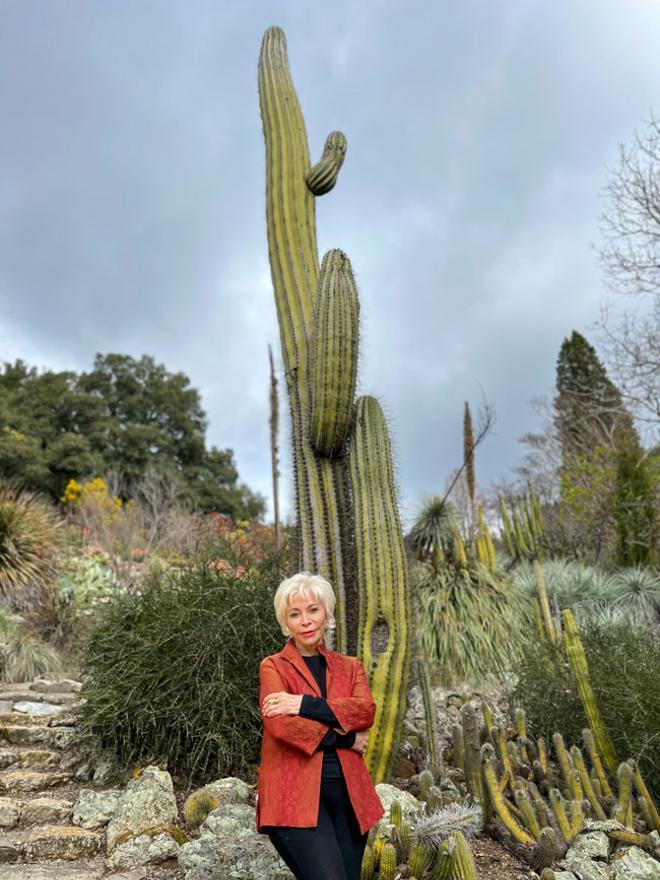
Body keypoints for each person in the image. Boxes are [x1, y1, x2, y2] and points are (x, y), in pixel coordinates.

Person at [256, 571, 384, 880]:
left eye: (313, 610)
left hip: (350, 799)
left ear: (326, 613)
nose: (306, 620)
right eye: (295, 614)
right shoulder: (273, 666)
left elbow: (364, 712)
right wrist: (345, 739)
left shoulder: (351, 667)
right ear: (286, 623)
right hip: (293, 798)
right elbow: (282, 727)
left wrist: (302, 704)